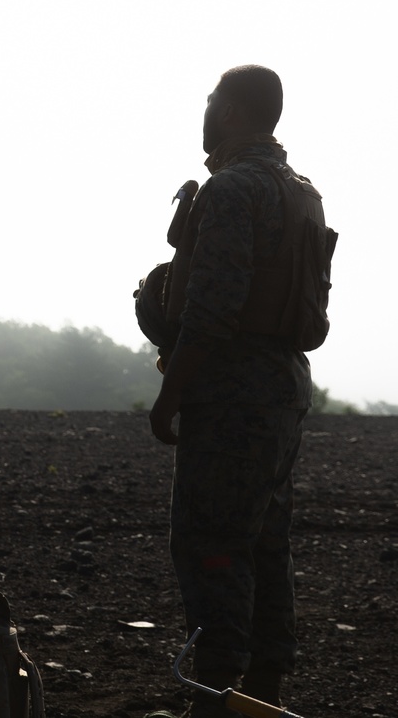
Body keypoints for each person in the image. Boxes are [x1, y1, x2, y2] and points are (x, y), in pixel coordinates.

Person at [142, 66, 335, 717]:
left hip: (232, 393)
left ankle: (217, 698)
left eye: (210, 101)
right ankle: (264, 696)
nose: (204, 111)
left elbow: (215, 308)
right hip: (282, 389)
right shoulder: (299, 193)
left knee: (211, 545)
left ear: (229, 111)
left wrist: (170, 397)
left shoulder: (233, 189)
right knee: (264, 544)